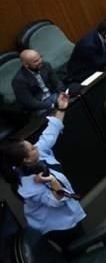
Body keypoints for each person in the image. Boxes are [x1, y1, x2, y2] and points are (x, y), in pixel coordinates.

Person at [0, 92, 86, 247]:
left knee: (81, 238)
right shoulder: (27, 186)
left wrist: (61, 108)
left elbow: (51, 132)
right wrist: (52, 181)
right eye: (32, 148)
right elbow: (57, 200)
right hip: (56, 224)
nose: (36, 146)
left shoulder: (37, 154)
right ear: (26, 160)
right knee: (76, 246)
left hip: (65, 213)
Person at [65, 19, 106, 84]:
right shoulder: (89, 45)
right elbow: (100, 63)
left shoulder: (101, 36)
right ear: (105, 34)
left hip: (97, 65)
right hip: (82, 74)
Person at [13, 50, 64, 115]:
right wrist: (53, 105)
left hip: (53, 95)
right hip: (38, 105)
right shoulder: (18, 81)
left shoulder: (46, 65)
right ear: (26, 65)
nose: (40, 61)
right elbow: (30, 103)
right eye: (36, 61)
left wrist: (61, 93)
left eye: (40, 57)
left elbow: (57, 83)